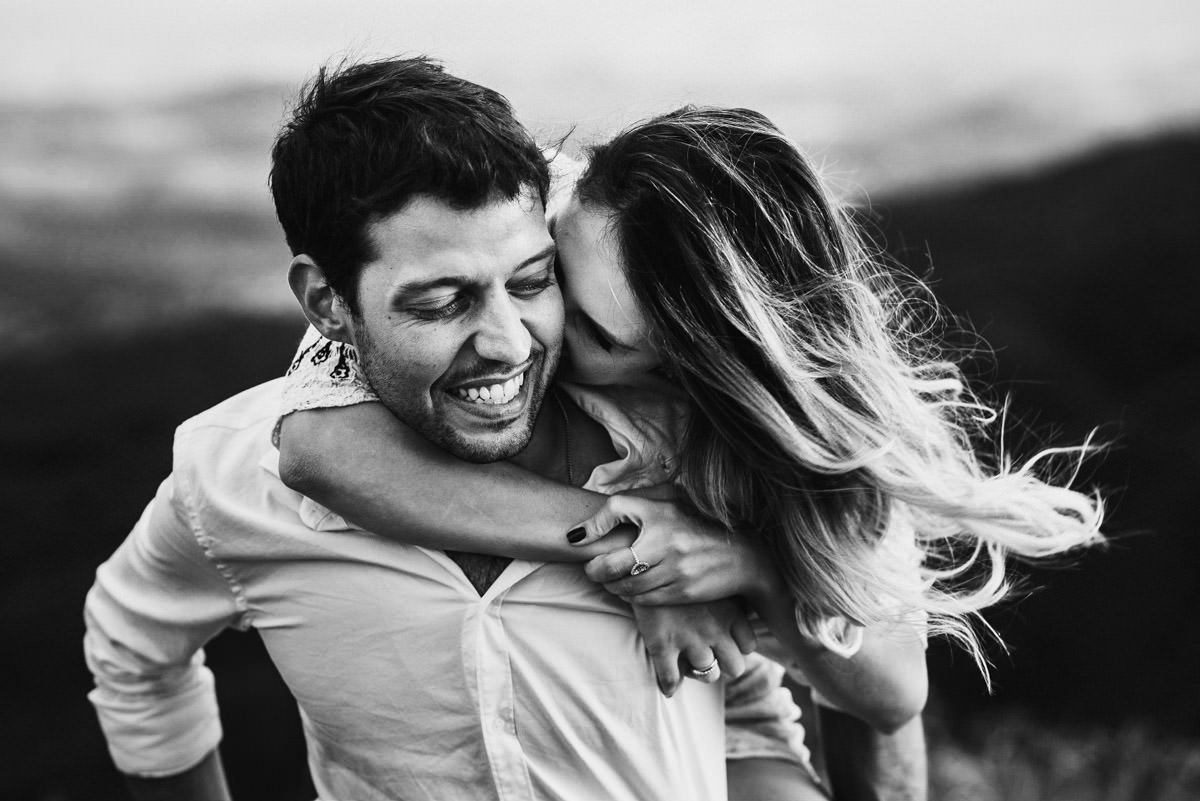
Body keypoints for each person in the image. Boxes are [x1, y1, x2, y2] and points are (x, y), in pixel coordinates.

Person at [274, 101, 1104, 794]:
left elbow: (889, 698)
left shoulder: (801, 421)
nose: (524, 339)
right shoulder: (522, 218)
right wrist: (637, 542)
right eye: (561, 289)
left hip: (729, 712)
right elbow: (320, 449)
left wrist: (743, 568)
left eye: (629, 347)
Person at [83, 56, 828, 801]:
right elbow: (130, 646)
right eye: (442, 302)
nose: (509, 342)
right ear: (326, 303)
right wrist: (627, 544)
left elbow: (765, 701)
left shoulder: (668, 438)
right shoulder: (232, 477)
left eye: (533, 281)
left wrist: (735, 568)